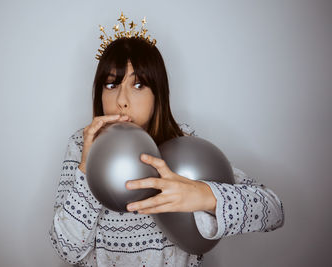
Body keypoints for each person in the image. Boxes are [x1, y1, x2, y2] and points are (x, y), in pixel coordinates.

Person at [48, 12, 284, 267]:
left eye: (138, 85)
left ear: (157, 93)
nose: (121, 100)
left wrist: (203, 196)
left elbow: (273, 211)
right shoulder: (82, 146)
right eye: (111, 84)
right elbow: (66, 250)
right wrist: (87, 168)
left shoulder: (183, 146)